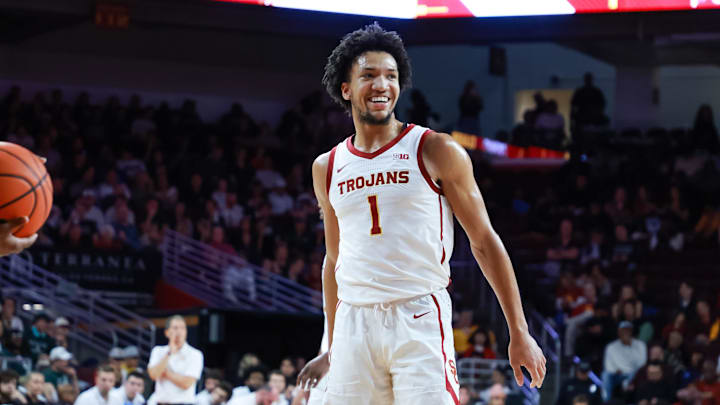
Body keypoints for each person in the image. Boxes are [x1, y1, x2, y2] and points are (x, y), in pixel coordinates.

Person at [298, 23, 546, 405]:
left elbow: (483, 241)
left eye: (391, 76)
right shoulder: (326, 166)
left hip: (416, 317)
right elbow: (334, 258)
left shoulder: (435, 149)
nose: (382, 84)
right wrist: (330, 343)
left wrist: (519, 330)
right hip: (353, 322)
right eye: (368, 75)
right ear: (345, 89)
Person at [147, 315, 204, 405]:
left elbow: (187, 383)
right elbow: (153, 375)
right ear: (167, 332)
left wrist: (165, 373)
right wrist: (169, 353)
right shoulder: (158, 351)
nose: (179, 332)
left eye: (182, 328)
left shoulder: (195, 354)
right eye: (175, 328)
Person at [602, 321, 647, 401]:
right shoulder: (611, 347)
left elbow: (642, 363)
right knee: (605, 375)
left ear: (631, 331)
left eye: (628, 330)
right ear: (618, 332)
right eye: (623, 330)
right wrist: (616, 371)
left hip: (635, 373)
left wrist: (630, 346)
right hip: (618, 375)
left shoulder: (640, 345)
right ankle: (606, 401)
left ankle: (629, 392)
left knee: (634, 373)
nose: (625, 333)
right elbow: (608, 366)